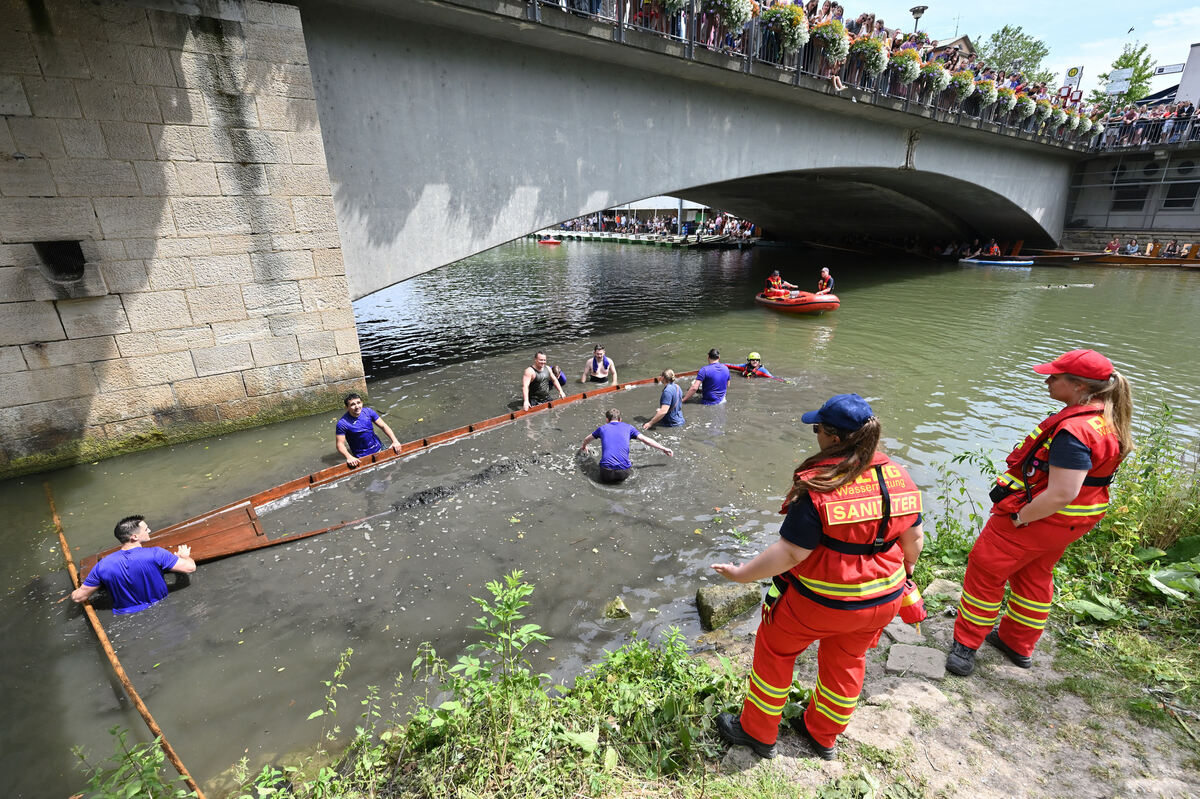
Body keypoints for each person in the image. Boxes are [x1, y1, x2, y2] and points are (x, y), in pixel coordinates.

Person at [711, 394, 924, 760]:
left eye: (818, 429)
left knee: (775, 654)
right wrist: (904, 574)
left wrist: (742, 574)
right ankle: (823, 734)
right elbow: (914, 541)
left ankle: (757, 732)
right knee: (847, 662)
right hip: (882, 601)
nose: (816, 435)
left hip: (819, 602)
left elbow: (792, 553)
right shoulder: (898, 476)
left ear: (835, 438)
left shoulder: (821, 486)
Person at [946, 349, 1133, 677]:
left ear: (1078, 387)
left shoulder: (1074, 432)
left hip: (1040, 519)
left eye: (1055, 377)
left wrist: (1021, 517)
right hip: (1074, 521)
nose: (1047, 381)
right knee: (1034, 575)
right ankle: (1017, 643)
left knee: (985, 573)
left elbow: (1062, 492)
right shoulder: (1107, 419)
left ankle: (966, 646)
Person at [71, 516, 198, 615]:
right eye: (146, 529)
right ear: (135, 536)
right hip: (162, 605)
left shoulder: (102, 565)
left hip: (124, 613)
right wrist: (185, 556)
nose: (150, 530)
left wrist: (74, 593)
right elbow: (190, 568)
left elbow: (78, 598)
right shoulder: (156, 553)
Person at [580, 408, 673, 483]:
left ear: (607, 420)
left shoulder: (602, 429)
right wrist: (663, 448)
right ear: (620, 420)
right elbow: (646, 440)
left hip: (606, 473)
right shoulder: (629, 428)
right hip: (623, 473)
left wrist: (584, 446)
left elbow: (587, 439)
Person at [336, 393, 402, 467]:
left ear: (362, 403)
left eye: (358, 403)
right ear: (347, 407)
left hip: (379, 447)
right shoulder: (342, 423)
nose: (357, 407)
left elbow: (383, 426)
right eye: (352, 404)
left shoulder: (368, 412)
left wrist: (395, 441)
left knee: (393, 468)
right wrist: (349, 457)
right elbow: (340, 444)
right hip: (361, 456)